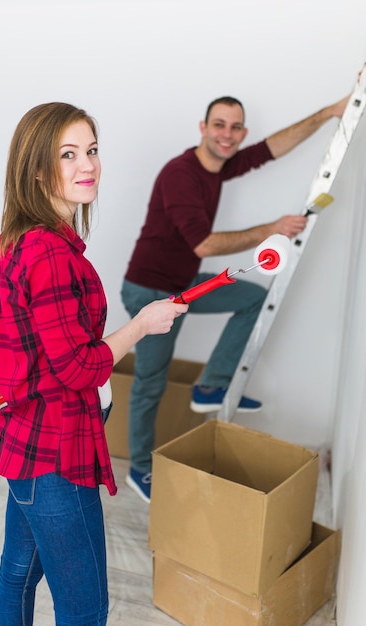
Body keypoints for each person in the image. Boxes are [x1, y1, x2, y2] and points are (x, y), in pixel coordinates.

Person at [0, 102, 188, 626]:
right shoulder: (51, 255)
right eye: (69, 155)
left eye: (90, 150)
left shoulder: (15, 238)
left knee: (17, 574)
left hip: (27, 446)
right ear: (38, 169)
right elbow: (80, 370)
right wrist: (143, 324)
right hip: (57, 452)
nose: (87, 165)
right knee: (85, 606)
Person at [121, 92, 349, 503]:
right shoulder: (181, 173)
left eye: (236, 127)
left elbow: (270, 150)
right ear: (203, 128)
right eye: (220, 125)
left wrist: (331, 112)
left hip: (184, 284)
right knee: (150, 382)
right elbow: (204, 245)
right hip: (151, 291)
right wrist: (273, 228)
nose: (227, 135)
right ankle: (140, 468)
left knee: (251, 298)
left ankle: (210, 386)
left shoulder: (220, 165)